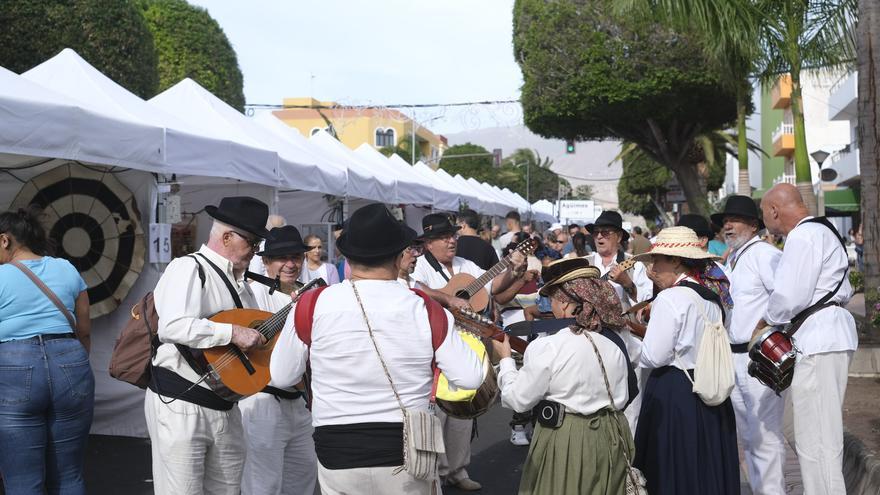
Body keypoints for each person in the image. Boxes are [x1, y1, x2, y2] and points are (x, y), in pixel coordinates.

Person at [269, 203, 483, 495]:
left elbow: (282, 375)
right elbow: (469, 378)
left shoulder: (311, 304)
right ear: (399, 256)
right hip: (408, 447)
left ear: (346, 255)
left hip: (337, 446)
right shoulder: (427, 309)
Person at [147, 196, 270, 494]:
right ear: (227, 236)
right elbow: (173, 326)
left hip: (225, 406)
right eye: (252, 243)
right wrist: (232, 333)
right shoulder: (188, 268)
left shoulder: (243, 285)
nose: (255, 252)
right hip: (182, 405)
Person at [492, 258, 638, 495]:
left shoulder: (549, 346)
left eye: (552, 299)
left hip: (566, 437)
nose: (551, 306)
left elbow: (518, 400)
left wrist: (506, 361)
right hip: (612, 435)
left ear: (567, 304)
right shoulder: (615, 343)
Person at [411, 212, 527, 491]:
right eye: (444, 237)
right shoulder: (420, 268)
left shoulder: (465, 265)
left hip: (466, 344)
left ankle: (457, 469)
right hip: (433, 348)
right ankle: (434, 474)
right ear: (428, 243)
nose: (452, 240)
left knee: (463, 409)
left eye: (453, 235)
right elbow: (416, 289)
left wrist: (511, 270)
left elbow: (493, 287)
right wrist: (448, 298)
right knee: (436, 411)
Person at [758, 183, 858, 494]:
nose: (766, 222)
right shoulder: (822, 229)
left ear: (775, 210)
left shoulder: (802, 235)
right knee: (815, 435)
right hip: (828, 334)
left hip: (819, 339)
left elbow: (789, 296)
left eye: (764, 214)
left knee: (817, 439)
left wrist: (764, 322)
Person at [632, 226, 740, 494]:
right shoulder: (712, 298)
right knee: (706, 464)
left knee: (673, 466)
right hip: (711, 388)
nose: (653, 267)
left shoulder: (671, 299)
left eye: (658, 260)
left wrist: (627, 341)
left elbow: (653, 356)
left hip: (676, 391)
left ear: (676, 261)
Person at [0, 208, 93, 494]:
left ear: (4, 240)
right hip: (70, 361)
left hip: (14, 367)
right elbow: (85, 330)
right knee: (69, 475)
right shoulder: (66, 268)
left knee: (22, 480)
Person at [711, 195, 786, 495]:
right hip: (735, 355)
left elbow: (785, 297)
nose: (727, 225)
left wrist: (765, 325)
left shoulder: (764, 254)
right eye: (725, 221)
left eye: (734, 219)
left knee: (765, 436)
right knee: (749, 436)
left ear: (753, 225)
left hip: (759, 356)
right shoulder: (733, 257)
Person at [240, 225, 318, 495]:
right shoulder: (251, 294)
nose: (290, 264)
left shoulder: (312, 294)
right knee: (263, 485)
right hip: (263, 400)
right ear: (265, 261)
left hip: (301, 403)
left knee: (303, 479)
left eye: (296, 257)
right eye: (282, 258)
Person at [585, 210, 653, 433]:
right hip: (589, 343)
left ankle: (629, 463)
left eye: (605, 232)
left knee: (630, 407)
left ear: (619, 237)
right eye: (596, 233)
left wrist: (628, 284)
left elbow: (646, 305)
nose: (599, 237)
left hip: (624, 344)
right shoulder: (583, 265)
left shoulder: (634, 266)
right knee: (592, 403)